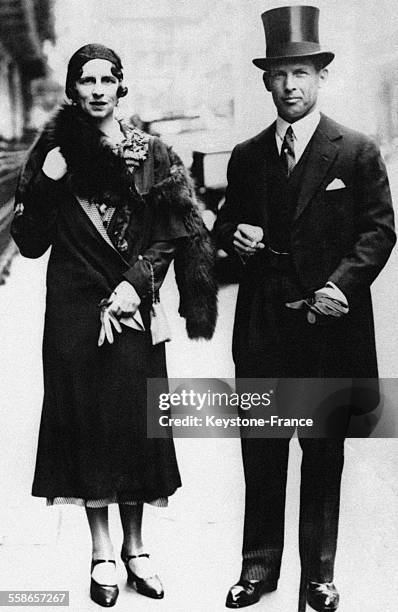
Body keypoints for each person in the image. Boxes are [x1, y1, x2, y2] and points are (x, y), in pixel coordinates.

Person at [11, 44, 217, 608]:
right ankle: (101, 551)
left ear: (121, 86)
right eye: (87, 80)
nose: (97, 89)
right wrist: (48, 181)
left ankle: (136, 548)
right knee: (85, 423)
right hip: (74, 312)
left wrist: (134, 285)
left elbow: (172, 231)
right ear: (73, 90)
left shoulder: (147, 151)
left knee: (134, 423)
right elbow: (28, 244)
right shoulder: (52, 151)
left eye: (108, 79)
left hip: (134, 306)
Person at [214, 6, 395, 611]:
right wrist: (231, 237)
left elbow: (379, 231)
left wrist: (344, 284)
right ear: (266, 81)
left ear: (321, 77)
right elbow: (223, 228)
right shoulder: (246, 156)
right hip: (264, 327)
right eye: (279, 74)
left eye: (301, 73)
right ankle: (257, 569)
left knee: (322, 455)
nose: (290, 86)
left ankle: (317, 575)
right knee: (261, 455)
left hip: (328, 329)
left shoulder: (357, 151)